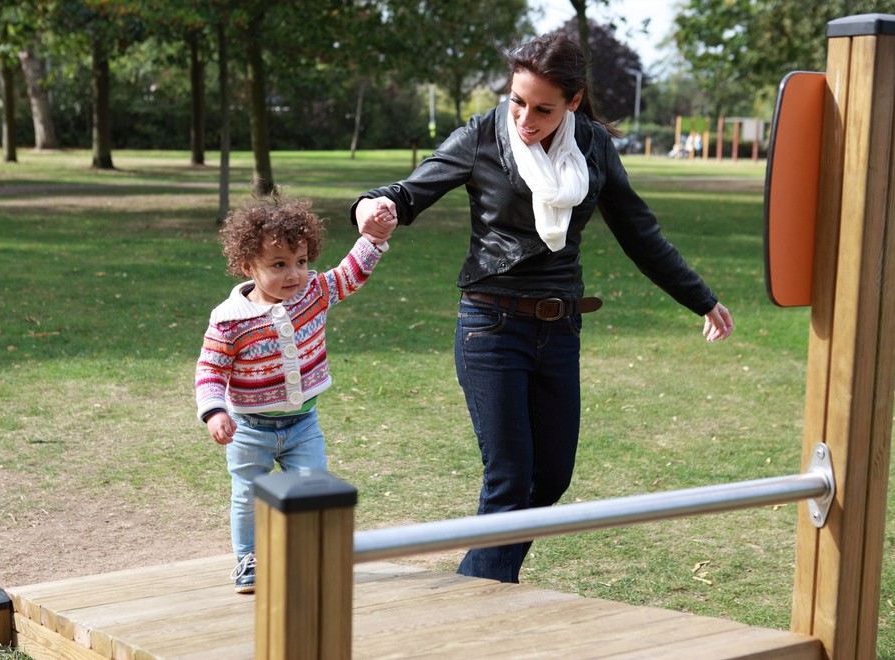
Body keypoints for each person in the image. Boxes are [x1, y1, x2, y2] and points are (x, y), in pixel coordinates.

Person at [352, 31, 734, 584]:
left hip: (560, 329)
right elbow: (408, 193)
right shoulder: (483, 134)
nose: (525, 118)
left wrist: (699, 297)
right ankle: (478, 603)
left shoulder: (595, 147)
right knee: (509, 480)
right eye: (517, 101)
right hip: (491, 325)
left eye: (543, 108)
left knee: (550, 478)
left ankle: (473, 586)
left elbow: (640, 233)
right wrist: (374, 205)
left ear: (573, 102)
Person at [195, 196, 394, 593]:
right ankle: (249, 558)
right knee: (249, 495)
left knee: (312, 488)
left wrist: (371, 238)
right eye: (279, 265)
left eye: (301, 261)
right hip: (250, 428)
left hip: (304, 423)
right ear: (248, 266)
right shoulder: (230, 320)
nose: (295, 275)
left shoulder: (314, 293)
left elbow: (348, 275)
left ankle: (307, 552)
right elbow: (211, 370)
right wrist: (215, 411)